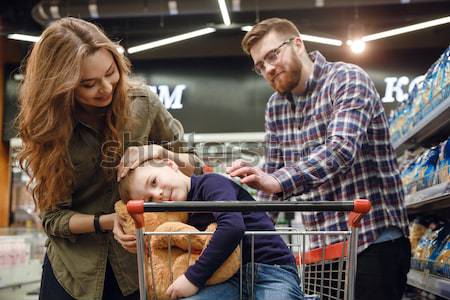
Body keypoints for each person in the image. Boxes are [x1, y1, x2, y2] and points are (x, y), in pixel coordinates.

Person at [16, 17, 201, 300]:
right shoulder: (50, 130)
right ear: (61, 87)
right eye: (88, 84)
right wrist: (108, 220)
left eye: (110, 72)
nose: (105, 88)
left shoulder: (142, 103)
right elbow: (53, 218)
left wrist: (158, 152)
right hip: (74, 273)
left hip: (139, 267)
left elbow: (196, 167)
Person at [226, 18, 411, 300]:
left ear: (297, 44)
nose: (268, 69)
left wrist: (275, 180)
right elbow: (273, 182)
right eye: (260, 66)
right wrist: (244, 226)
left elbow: (341, 149)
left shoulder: (347, 79)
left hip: (371, 241)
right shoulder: (276, 108)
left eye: (272, 55)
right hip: (321, 252)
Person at [117, 159, 304, 300]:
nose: (157, 194)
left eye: (154, 182)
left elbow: (232, 226)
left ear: (170, 165)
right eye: (149, 200)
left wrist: (192, 278)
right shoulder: (180, 216)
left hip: (271, 270)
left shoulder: (211, 183)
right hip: (229, 279)